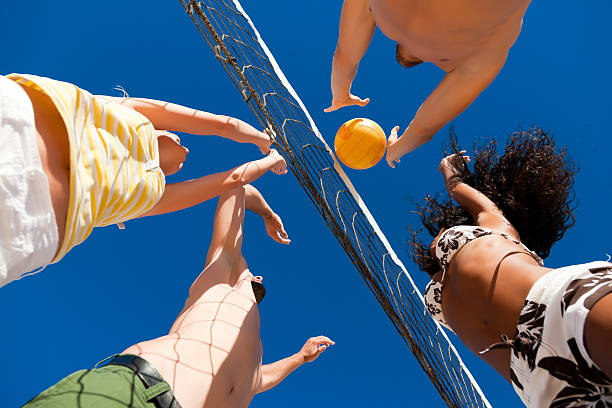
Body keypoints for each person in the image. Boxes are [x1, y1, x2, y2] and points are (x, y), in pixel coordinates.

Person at [22, 182, 334, 408]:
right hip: (139, 393)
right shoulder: (221, 276)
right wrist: (266, 213)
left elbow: (258, 381)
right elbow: (236, 188)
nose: (259, 278)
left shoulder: (252, 353)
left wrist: (299, 358)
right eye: (257, 281)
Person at [1, 73, 285, 287]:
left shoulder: (155, 194)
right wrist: (264, 142)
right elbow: (222, 126)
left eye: (181, 160)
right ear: (164, 132)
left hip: (28, 228)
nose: (186, 149)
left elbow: (233, 179)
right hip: (18, 123)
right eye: (178, 138)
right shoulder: (129, 111)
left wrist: (270, 157)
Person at [407, 128, 612, 406]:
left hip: (558, 309)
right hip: (541, 381)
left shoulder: (495, 228)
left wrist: (449, 167)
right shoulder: (446, 274)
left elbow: (460, 190)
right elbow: (459, 193)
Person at [325, 0, 532, 167]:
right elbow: (345, 58)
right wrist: (340, 93)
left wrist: (394, 151)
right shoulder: (385, 14)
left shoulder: (481, 56)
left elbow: (423, 130)